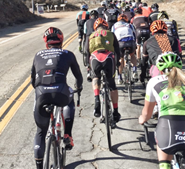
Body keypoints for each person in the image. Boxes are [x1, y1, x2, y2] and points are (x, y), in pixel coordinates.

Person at [139, 52, 185, 169]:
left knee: (162, 145)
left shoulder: (154, 81)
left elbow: (147, 113)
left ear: (160, 70)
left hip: (168, 124)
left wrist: (142, 119)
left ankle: (164, 165)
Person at [31, 27, 83, 169]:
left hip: (42, 93)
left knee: (41, 132)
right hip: (61, 92)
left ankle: (39, 165)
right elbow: (78, 76)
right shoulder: (68, 53)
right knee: (70, 96)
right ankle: (67, 135)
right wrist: (79, 88)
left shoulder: (38, 55)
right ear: (61, 41)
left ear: (46, 43)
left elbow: (33, 82)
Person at [88, 18, 122, 122]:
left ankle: (97, 98)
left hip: (95, 59)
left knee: (95, 77)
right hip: (108, 59)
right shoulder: (111, 34)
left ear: (95, 28)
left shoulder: (91, 36)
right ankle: (115, 111)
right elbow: (117, 50)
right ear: (106, 26)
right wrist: (118, 62)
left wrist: (88, 66)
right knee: (112, 86)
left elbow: (86, 52)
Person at [111, 14, 138, 84]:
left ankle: (119, 77)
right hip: (130, 42)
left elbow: (112, 36)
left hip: (120, 43)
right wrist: (136, 44)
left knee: (121, 58)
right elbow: (135, 35)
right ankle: (135, 70)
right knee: (132, 55)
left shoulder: (114, 26)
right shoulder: (129, 25)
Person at [83, 10, 99, 81]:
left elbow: (85, 32)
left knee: (87, 52)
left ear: (90, 16)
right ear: (97, 15)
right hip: (98, 37)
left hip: (88, 37)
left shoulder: (87, 22)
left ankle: (88, 71)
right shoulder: (99, 20)